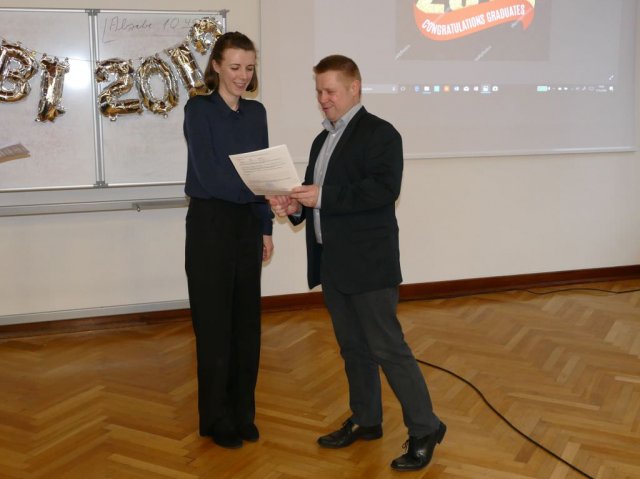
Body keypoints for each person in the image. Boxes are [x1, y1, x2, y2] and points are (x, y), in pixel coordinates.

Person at [268, 54, 445, 471]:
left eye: (330, 91)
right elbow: (316, 197)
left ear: (354, 88)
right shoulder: (322, 140)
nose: (323, 99)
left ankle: (425, 428)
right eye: (318, 91)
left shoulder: (381, 134)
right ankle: (367, 419)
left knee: (388, 349)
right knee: (353, 349)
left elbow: (383, 190)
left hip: (369, 264)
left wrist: (322, 197)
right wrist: (294, 207)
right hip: (333, 262)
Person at [183, 31, 273, 449]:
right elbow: (210, 177)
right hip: (210, 223)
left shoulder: (256, 113)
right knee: (215, 326)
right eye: (235, 67)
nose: (242, 75)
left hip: (247, 224)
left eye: (249, 68)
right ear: (216, 65)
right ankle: (216, 418)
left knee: (246, 326)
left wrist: (266, 226)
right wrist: (258, 195)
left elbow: (263, 172)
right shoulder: (198, 109)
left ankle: (242, 414)